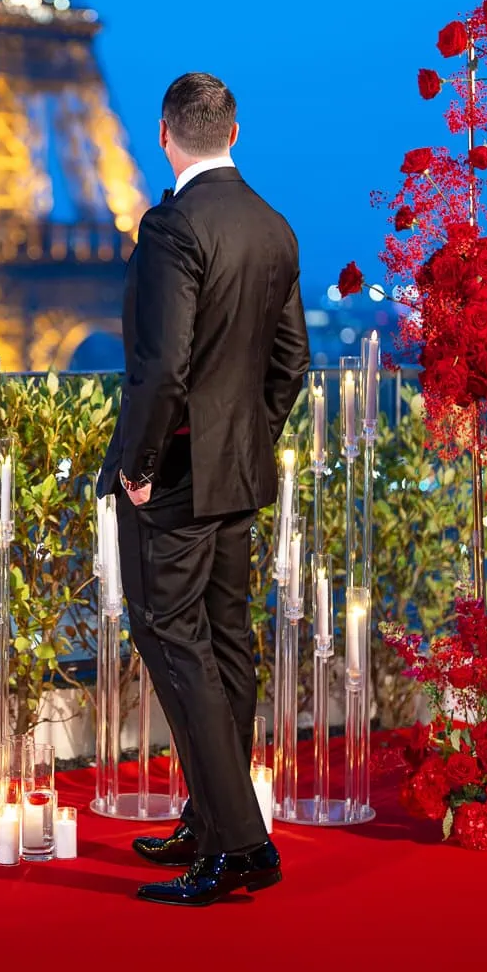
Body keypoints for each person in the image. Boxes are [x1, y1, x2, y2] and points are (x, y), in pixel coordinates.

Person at [97, 72, 310, 906]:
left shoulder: (173, 227)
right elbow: (289, 360)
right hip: (237, 476)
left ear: (163, 134)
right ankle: (210, 816)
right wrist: (245, 444)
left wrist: (142, 470)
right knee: (227, 647)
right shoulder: (273, 225)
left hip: (177, 483)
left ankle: (240, 844)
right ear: (235, 132)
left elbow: (162, 369)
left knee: (174, 645)